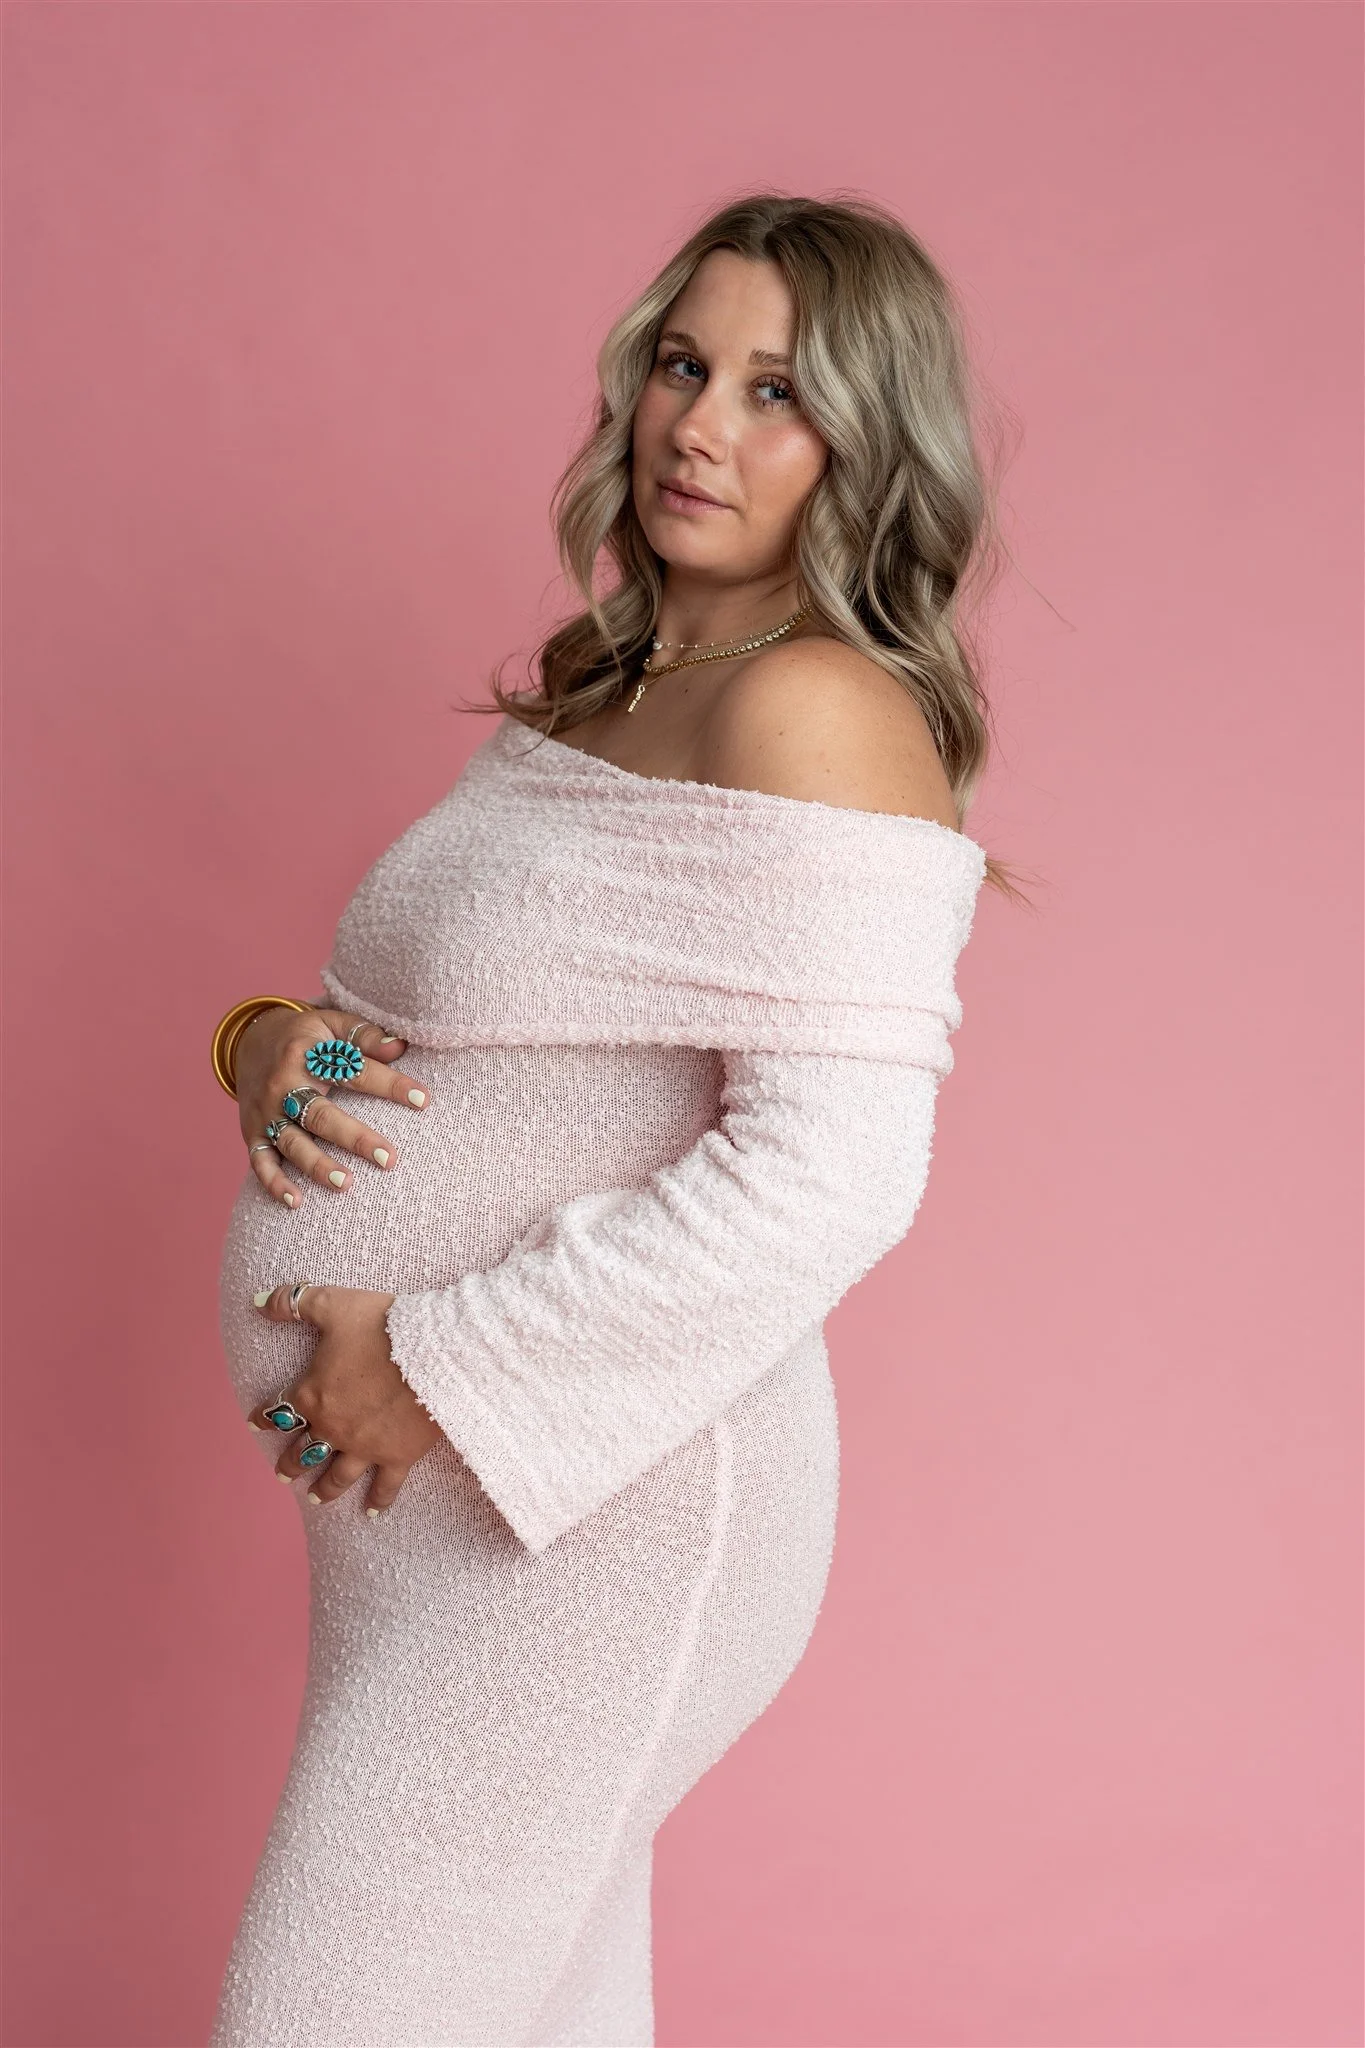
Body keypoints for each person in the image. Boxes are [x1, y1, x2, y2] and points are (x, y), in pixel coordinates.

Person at [208, 191, 1015, 2048]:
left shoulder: (816, 710)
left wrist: (435, 1364)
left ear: (869, 443)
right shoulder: (614, 680)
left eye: (777, 392)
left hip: (589, 1519)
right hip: (445, 1526)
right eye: (681, 365)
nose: (700, 427)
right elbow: (448, 1017)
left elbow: (833, 1177)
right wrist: (264, 1045)